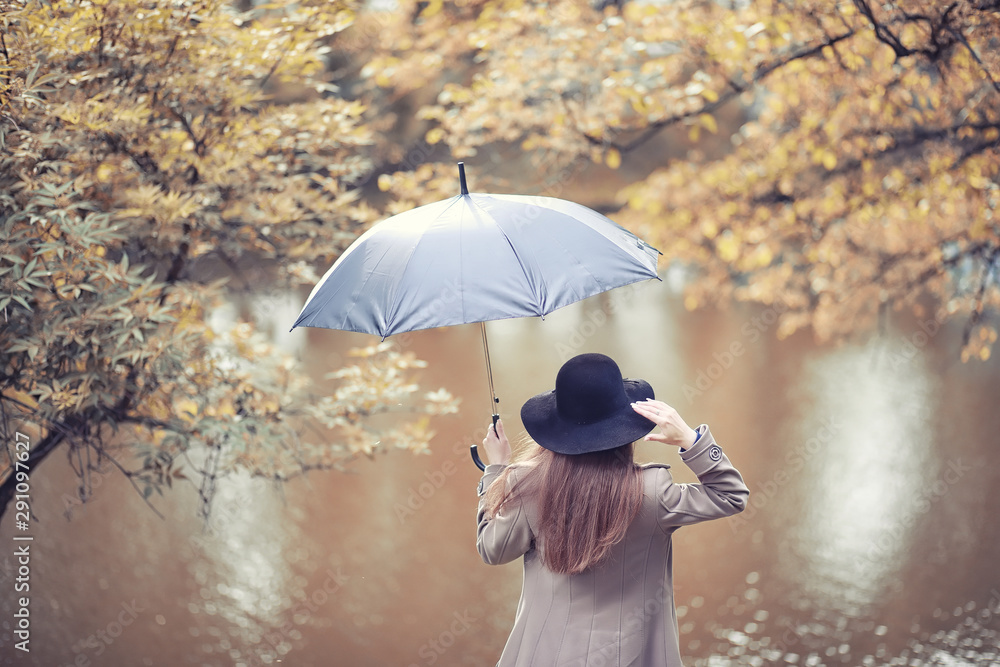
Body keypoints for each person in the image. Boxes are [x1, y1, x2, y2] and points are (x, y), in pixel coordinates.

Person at [476, 353, 749, 667]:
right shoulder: (653, 492)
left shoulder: (526, 488)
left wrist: (495, 471)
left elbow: (491, 550)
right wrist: (690, 438)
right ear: (624, 426)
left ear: (557, 427)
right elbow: (731, 495)